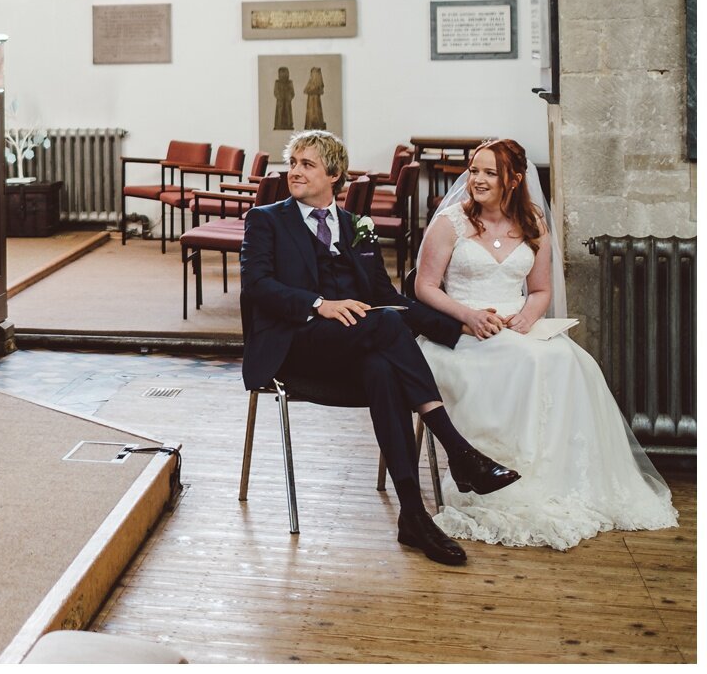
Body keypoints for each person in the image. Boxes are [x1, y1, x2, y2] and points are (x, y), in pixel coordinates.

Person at [240, 130, 520, 566]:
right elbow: (257, 287)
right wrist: (320, 304)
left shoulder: (355, 227)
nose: (294, 171)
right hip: (295, 346)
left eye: (307, 164)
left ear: (335, 175)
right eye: (292, 163)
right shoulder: (266, 220)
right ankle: (459, 451)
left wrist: (462, 322)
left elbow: (389, 299)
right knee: (386, 329)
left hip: (351, 348)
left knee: (382, 368)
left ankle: (413, 515)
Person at [414, 138, 678, 549]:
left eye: (489, 173)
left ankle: (553, 476)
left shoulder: (533, 221)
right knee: (530, 364)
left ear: (514, 180)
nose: (477, 180)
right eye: (474, 170)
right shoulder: (450, 223)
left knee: (574, 362)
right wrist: (468, 316)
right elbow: (424, 286)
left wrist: (528, 316)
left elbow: (539, 290)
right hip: (460, 334)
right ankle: (495, 473)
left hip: (517, 329)